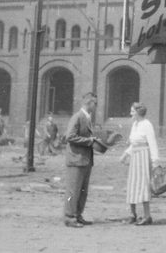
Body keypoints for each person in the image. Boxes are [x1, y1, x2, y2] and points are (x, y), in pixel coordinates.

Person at [119, 103, 160, 225]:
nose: (130, 114)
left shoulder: (147, 124)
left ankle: (147, 216)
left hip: (143, 157)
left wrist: (155, 162)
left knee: (143, 185)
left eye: (132, 111)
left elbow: (152, 143)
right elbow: (134, 144)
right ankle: (132, 214)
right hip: (135, 157)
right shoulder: (135, 124)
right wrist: (125, 154)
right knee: (132, 184)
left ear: (138, 112)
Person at [64, 92, 99, 228]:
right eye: (95, 103)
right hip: (76, 159)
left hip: (85, 160)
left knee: (82, 190)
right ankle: (69, 217)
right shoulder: (77, 117)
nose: (96, 106)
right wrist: (89, 141)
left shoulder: (87, 118)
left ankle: (78, 215)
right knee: (73, 190)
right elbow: (69, 136)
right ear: (88, 103)